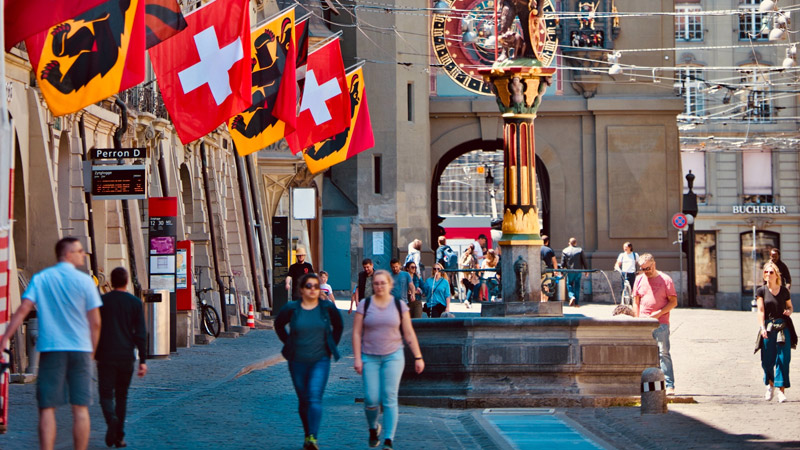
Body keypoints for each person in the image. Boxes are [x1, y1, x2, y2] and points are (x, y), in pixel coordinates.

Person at [0, 237, 102, 450]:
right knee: (80, 409)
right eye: (79, 251)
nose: (83, 255)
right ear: (67, 254)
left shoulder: (42, 278)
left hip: (51, 349)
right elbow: (96, 323)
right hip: (80, 350)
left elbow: (22, 310)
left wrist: (4, 338)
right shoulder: (85, 282)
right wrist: (92, 352)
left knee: (47, 409)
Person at [352, 270, 425, 450]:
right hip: (370, 356)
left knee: (389, 396)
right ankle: (373, 427)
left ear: (390, 285)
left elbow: (409, 333)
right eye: (376, 283)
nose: (379, 286)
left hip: (393, 356)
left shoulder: (399, 306)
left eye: (383, 283)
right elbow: (356, 333)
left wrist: (418, 356)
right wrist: (357, 358)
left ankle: (388, 440)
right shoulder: (365, 304)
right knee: (371, 399)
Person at [275, 273, 344, 450]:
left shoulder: (326, 308)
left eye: (316, 286)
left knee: (314, 397)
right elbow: (279, 325)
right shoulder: (292, 308)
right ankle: (308, 435)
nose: (313, 289)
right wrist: (288, 342)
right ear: (301, 289)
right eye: (308, 286)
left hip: (320, 360)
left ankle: (313, 437)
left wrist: (330, 347)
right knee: (303, 399)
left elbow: (338, 326)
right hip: (297, 361)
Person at [95, 267, 148, 448]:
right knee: (122, 396)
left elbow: (95, 327)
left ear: (111, 281)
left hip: (106, 355)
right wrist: (143, 361)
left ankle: (111, 418)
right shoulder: (135, 303)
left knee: (105, 394)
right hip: (126, 356)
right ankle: (119, 437)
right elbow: (140, 333)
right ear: (127, 282)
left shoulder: (102, 301)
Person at [632, 253, 677, 396]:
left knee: (663, 353)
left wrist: (658, 313)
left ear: (654, 264)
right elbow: (636, 301)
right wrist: (637, 319)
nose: (646, 271)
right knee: (642, 353)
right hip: (643, 323)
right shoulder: (639, 279)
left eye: (648, 268)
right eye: (643, 269)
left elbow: (673, 302)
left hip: (660, 323)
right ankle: (643, 385)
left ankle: (669, 385)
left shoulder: (665, 279)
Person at [756, 261, 794, 403]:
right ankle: (770, 385)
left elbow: (790, 307)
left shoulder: (784, 291)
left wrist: (788, 311)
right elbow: (761, 311)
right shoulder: (761, 291)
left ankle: (781, 391)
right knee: (767, 360)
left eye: (771, 272)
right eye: (766, 272)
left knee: (783, 359)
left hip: (783, 327)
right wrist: (762, 327)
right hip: (768, 327)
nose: (768, 274)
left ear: (776, 275)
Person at [561, 237, 588, 307]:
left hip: (570, 271)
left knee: (569, 284)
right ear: (576, 243)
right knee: (577, 286)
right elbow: (584, 261)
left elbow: (562, 263)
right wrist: (586, 270)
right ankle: (576, 303)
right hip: (578, 271)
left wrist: (561, 272)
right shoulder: (580, 250)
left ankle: (571, 296)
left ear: (569, 243)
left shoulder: (565, 250)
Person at [540, 235, 558, 301]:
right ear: (547, 242)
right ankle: (545, 301)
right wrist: (555, 271)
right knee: (546, 286)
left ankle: (541, 300)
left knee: (540, 286)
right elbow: (554, 261)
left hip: (539, 271)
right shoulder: (549, 250)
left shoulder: (537, 249)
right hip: (548, 271)